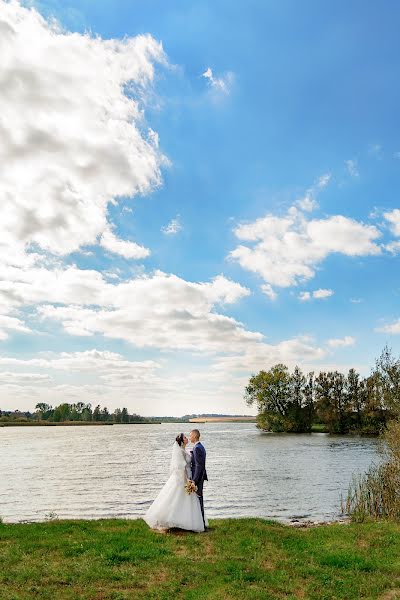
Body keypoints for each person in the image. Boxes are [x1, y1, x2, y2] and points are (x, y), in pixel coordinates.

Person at [144, 433, 207, 532]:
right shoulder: (180, 452)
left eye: (188, 436)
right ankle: (167, 519)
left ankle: (186, 521)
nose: (187, 438)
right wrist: (187, 480)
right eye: (185, 437)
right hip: (184, 478)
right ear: (182, 441)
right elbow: (180, 468)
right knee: (177, 498)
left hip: (189, 476)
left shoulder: (185, 450)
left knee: (185, 500)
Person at [189, 429, 208, 529]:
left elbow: (199, 466)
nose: (189, 437)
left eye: (191, 435)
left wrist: (194, 481)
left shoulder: (197, 448)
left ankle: (202, 525)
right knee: (199, 500)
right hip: (200, 478)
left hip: (198, 479)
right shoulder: (200, 446)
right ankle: (201, 523)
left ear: (195, 436)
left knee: (199, 500)